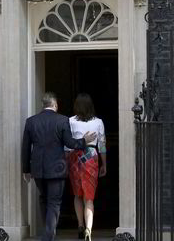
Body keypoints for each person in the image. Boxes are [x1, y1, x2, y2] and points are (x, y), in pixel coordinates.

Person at [22, 92, 96, 241]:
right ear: (55, 105)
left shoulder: (31, 121)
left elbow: (25, 147)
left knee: (44, 198)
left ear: (43, 105)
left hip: (38, 169)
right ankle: (48, 236)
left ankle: (49, 232)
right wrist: (84, 141)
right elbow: (70, 143)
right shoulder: (62, 120)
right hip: (57, 168)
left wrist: (26, 170)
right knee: (54, 202)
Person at [66, 93, 107, 241]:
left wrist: (65, 163)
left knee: (77, 194)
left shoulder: (70, 121)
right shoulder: (98, 122)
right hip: (91, 157)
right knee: (89, 197)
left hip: (75, 157)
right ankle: (89, 229)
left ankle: (80, 225)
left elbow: (66, 145)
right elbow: (102, 145)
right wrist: (104, 164)